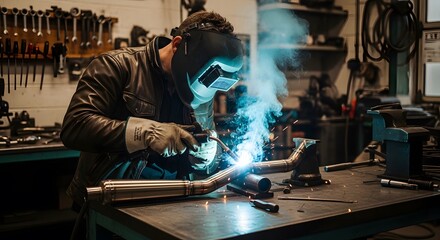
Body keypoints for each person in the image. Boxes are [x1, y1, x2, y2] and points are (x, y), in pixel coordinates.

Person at [61, 10, 244, 208]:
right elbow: (75, 126)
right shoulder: (117, 65)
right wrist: (144, 133)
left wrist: (206, 157)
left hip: (175, 200)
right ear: (176, 45)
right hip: (112, 200)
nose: (203, 91)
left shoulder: (201, 86)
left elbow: (205, 149)